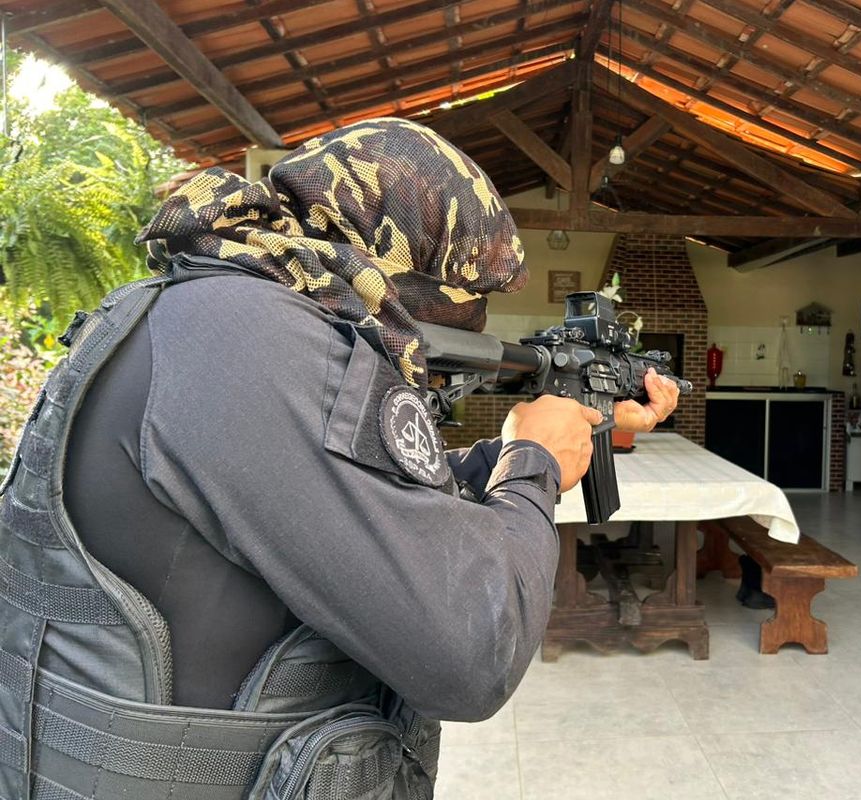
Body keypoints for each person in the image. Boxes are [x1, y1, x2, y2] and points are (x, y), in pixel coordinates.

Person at [0, 118, 678, 800]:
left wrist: (532, 442)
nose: (467, 326)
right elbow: (475, 654)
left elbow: (361, 496)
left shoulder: (204, 311)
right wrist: (533, 462)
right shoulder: (254, 337)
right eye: (467, 297)